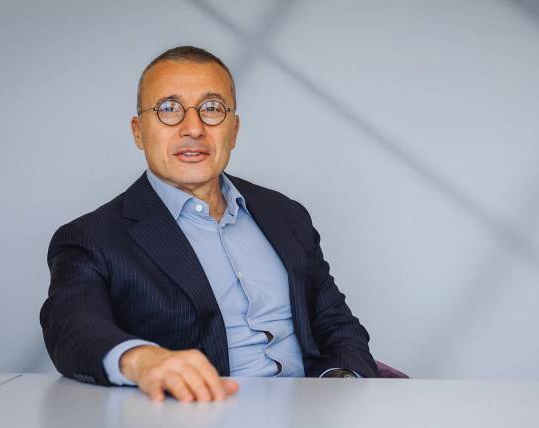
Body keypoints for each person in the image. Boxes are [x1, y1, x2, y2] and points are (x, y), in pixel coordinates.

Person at [40, 46, 378, 403]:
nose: (193, 128)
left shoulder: (286, 214)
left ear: (234, 130)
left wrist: (339, 386)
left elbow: (336, 324)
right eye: (169, 109)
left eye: (212, 108)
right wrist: (141, 360)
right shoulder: (92, 238)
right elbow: (71, 325)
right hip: (197, 417)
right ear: (139, 132)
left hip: (310, 414)